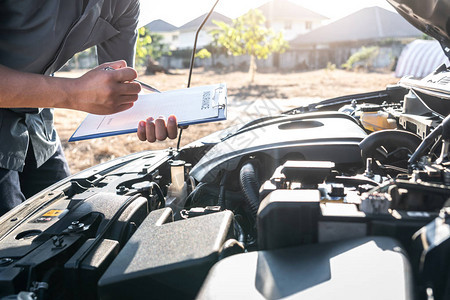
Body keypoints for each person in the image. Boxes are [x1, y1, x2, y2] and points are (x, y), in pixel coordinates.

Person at [0, 0, 177, 216]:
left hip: (38, 120)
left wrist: (155, 112)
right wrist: (72, 93)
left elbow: (119, 87)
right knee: (8, 231)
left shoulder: (125, 5)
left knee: (66, 215)